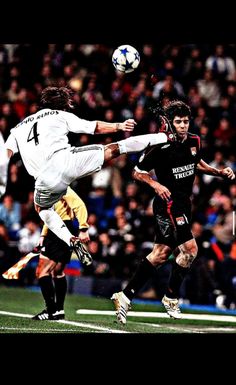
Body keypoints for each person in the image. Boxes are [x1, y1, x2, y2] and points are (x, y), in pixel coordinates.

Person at [2, 86, 168, 263]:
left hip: (43, 180)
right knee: (114, 149)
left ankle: (70, 239)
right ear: (61, 105)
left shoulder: (18, 128)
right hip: (66, 161)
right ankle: (164, 137)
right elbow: (93, 127)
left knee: (42, 209)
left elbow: (5, 157)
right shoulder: (59, 115)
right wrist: (119, 125)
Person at [111, 100, 235, 324]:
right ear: (169, 123)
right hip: (167, 204)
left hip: (183, 204)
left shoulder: (194, 140)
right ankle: (170, 296)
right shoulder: (160, 145)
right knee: (190, 249)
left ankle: (124, 295)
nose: (183, 125)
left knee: (159, 255)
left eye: (186, 121)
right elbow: (137, 172)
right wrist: (156, 185)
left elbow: (197, 163)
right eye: (178, 122)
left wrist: (219, 172)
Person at [32, 186, 90, 320]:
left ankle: (50, 310)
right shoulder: (52, 185)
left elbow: (79, 204)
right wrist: (43, 235)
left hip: (59, 229)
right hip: (62, 228)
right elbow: (49, 214)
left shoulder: (59, 186)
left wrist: (83, 228)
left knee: (42, 271)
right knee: (57, 271)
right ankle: (58, 310)